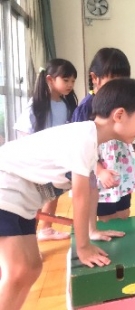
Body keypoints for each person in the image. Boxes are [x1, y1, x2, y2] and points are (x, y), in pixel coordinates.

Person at [0, 78, 135, 310]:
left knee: (31, 267)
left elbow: (91, 189)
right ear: (119, 115)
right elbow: (80, 196)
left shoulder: (91, 140)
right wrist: (83, 248)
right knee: (19, 269)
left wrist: (92, 231)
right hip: (5, 189)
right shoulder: (85, 138)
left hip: (21, 201)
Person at [71, 47, 135, 222]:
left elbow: (125, 133)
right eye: (113, 80)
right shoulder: (86, 107)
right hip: (101, 170)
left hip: (121, 167)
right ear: (95, 78)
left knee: (124, 212)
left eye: (123, 81)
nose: (119, 87)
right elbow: (81, 148)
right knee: (107, 216)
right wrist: (100, 170)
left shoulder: (122, 103)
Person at [14, 59, 78, 242]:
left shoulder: (65, 104)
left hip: (55, 160)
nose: (70, 85)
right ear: (50, 79)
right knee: (34, 203)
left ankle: (46, 229)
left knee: (53, 193)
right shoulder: (36, 104)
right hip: (35, 163)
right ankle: (30, 239)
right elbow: (23, 132)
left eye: (73, 81)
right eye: (66, 80)